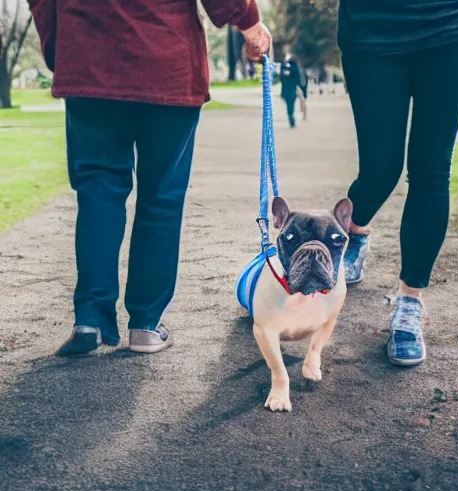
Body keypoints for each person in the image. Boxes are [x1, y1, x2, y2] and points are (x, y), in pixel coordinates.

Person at [28, 0, 271, 356]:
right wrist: (249, 24)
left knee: (98, 192)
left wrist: (60, 46)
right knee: (162, 198)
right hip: (166, 59)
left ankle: (91, 318)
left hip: (89, 61)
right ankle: (145, 324)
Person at [338, 1, 458, 366]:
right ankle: (356, 233)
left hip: (452, 24)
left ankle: (409, 302)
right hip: (372, 24)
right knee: (380, 168)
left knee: (431, 169)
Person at [280, 49, 302, 128]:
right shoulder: (287, 64)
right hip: (289, 86)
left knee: (290, 102)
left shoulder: (291, 64)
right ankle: (290, 115)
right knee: (289, 101)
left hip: (289, 86)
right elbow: (282, 75)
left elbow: (295, 75)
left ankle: (291, 116)